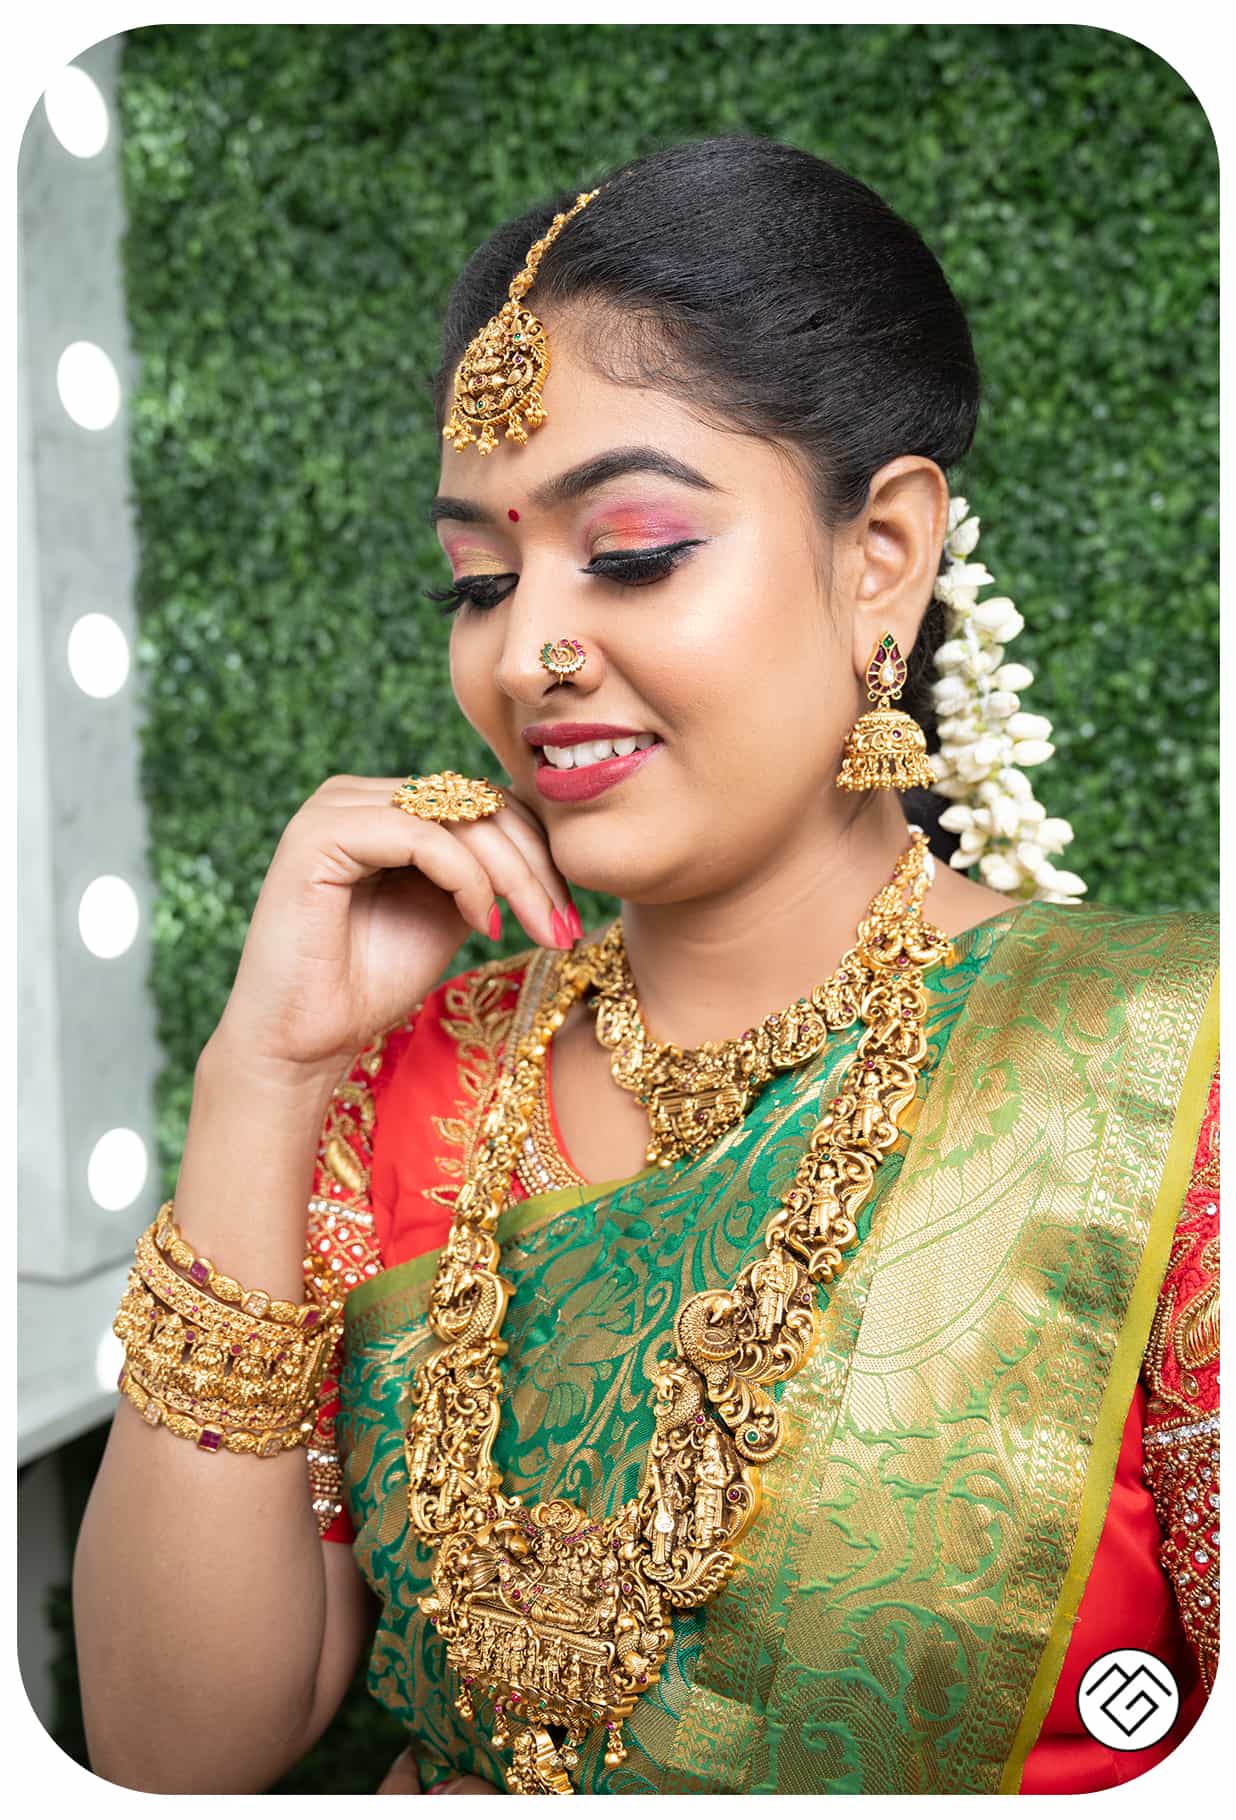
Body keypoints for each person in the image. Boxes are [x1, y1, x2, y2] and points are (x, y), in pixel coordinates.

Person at [73, 137, 1218, 1797]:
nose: (527, 651)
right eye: (479, 580)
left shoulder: (1165, 1070)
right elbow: (172, 1753)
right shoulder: (407, 1089)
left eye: (631, 551)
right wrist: (264, 1076)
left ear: (882, 555)